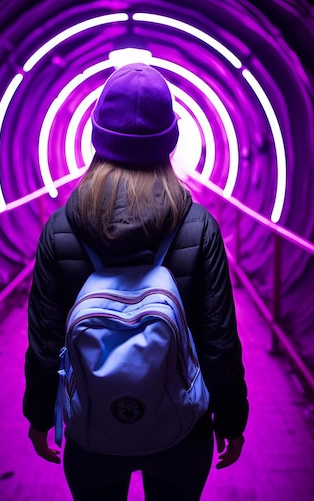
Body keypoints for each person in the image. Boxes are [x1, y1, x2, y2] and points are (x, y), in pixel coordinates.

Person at [24, 62, 248, 500]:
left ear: (95, 135)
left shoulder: (60, 229)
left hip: (92, 427)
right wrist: (232, 419)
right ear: (171, 140)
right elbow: (218, 338)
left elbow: (46, 341)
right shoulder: (199, 227)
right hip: (182, 428)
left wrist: (38, 415)